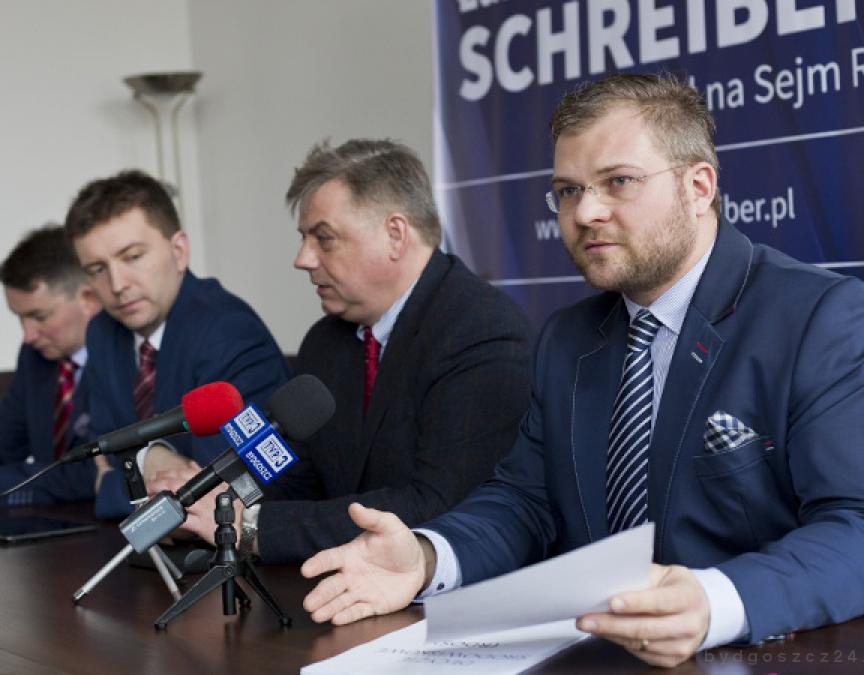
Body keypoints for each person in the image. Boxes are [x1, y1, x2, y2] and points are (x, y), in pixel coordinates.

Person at [299, 74, 864, 668]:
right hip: (601, 655)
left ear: (698, 187)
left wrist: (715, 601)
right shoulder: (566, 339)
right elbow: (525, 502)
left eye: (619, 182)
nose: (585, 212)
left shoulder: (823, 318)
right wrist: (428, 557)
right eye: (567, 190)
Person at [147, 139, 533, 563]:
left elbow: (437, 506)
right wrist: (216, 501)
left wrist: (253, 527)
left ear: (395, 235)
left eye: (324, 239)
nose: (302, 259)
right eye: (304, 239)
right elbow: (293, 473)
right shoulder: (325, 342)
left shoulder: (482, 332)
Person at [64, 170, 291, 518]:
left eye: (133, 256)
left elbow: (224, 493)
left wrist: (114, 483)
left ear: (179, 251)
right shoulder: (102, 332)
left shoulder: (229, 330)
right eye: (97, 269)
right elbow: (92, 456)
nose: (117, 284)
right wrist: (151, 456)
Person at [0, 225, 100, 504]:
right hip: (52, 521)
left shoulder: (129, 356)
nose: (28, 335)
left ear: (88, 300)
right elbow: (6, 441)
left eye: (39, 316)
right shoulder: (34, 356)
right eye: (20, 317)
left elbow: (93, 474)